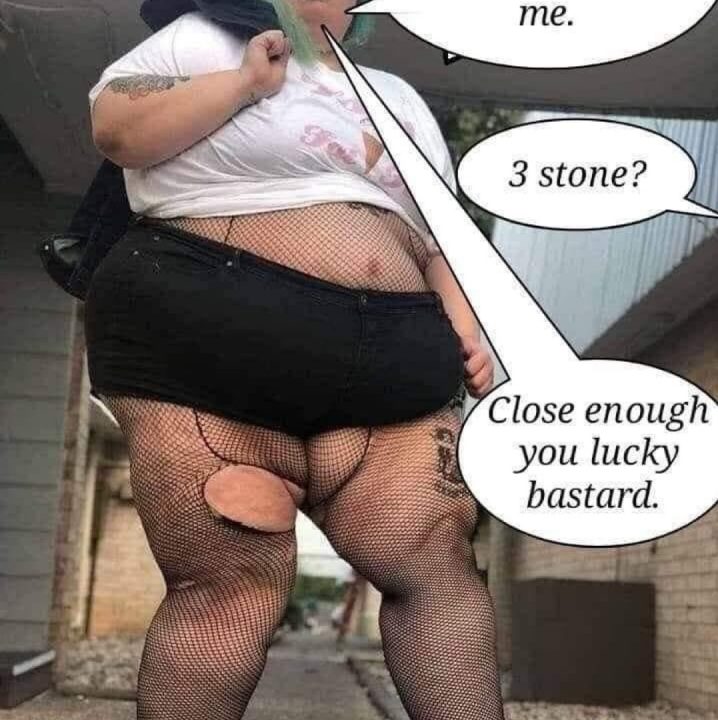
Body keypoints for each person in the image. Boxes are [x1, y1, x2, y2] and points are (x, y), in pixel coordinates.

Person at [83, 1, 504, 719]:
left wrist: (467, 333)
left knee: (435, 563)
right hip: (209, 337)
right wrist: (244, 83)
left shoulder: (399, 98)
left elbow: (439, 240)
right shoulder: (203, 40)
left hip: (396, 357)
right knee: (230, 583)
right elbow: (118, 129)